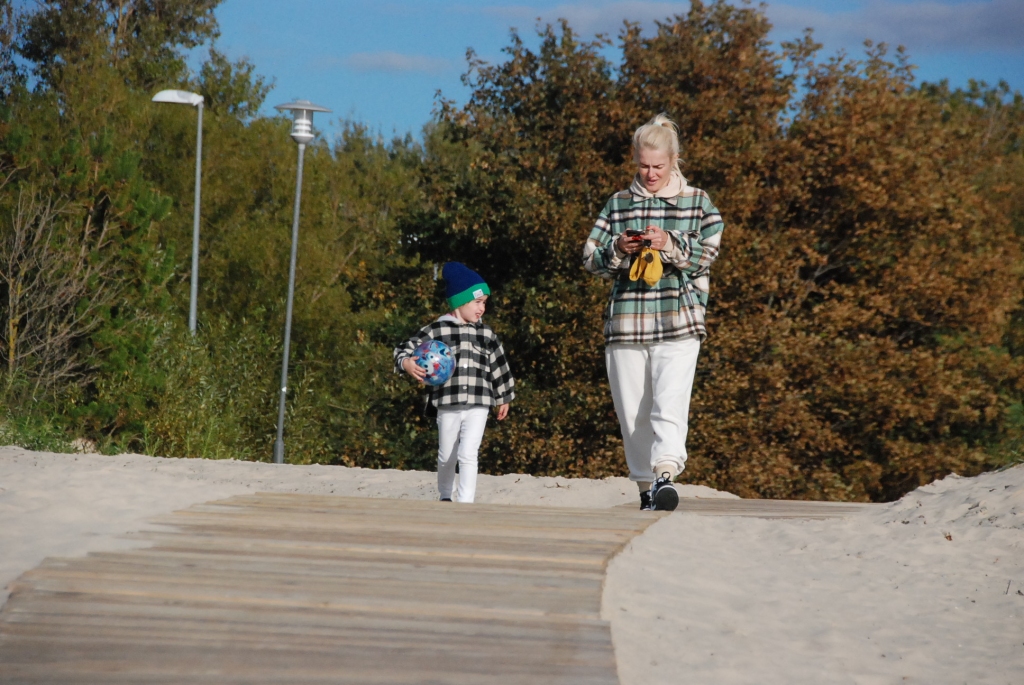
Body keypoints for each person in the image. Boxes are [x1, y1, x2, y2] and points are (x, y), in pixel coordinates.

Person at [582, 113, 724, 511]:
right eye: (643, 165)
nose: (650, 173)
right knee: (633, 413)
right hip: (627, 321)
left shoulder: (697, 201)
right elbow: (589, 257)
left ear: (674, 160)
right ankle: (646, 487)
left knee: (670, 400)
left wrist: (669, 241)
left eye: (658, 166)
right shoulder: (618, 203)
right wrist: (618, 249)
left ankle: (666, 474)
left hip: (679, 317)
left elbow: (708, 253)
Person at [394, 262, 515, 503]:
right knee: (446, 455)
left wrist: (504, 397)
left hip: (480, 402)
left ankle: (465, 503)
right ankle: (445, 496)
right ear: (461, 300)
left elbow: (499, 366)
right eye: (477, 302)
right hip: (447, 401)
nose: (482, 308)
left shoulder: (486, 334)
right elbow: (403, 348)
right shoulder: (436, 329)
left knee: (468, 453)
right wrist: (406, 363)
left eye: (484, 303)